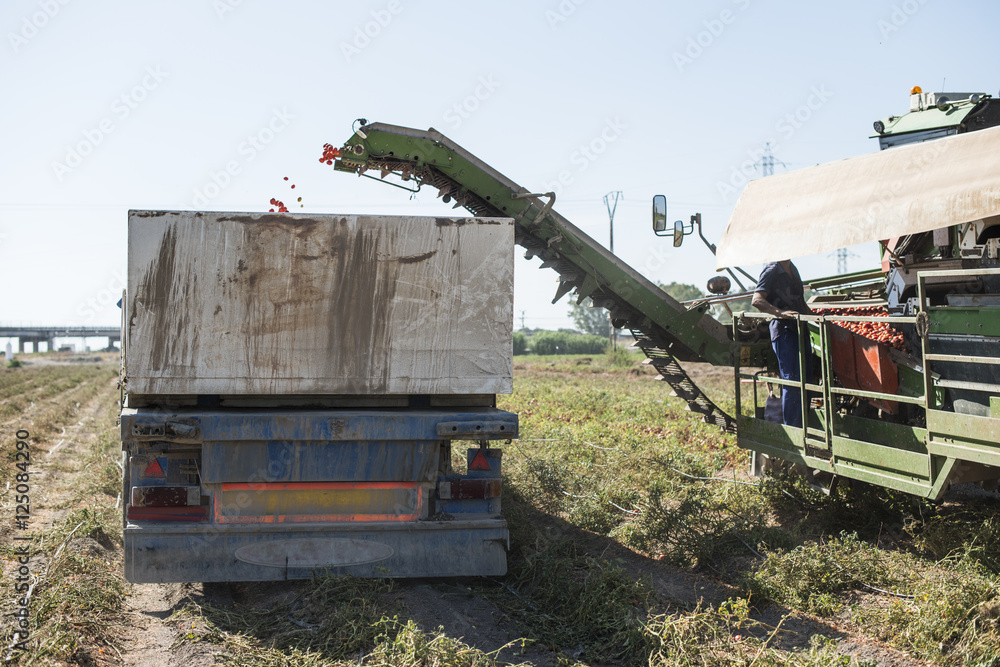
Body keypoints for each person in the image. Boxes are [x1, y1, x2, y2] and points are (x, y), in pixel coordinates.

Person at [751, 260, 812, 428]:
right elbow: (757, 300)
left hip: (800, 328)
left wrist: (817, 317)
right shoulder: (771, 270)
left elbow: (800, 302)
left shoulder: (793, 269)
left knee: (807, 379)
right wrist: (780, 313)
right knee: (792, 381)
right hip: (784, 331)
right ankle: (793, 429)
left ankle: (805, 426)